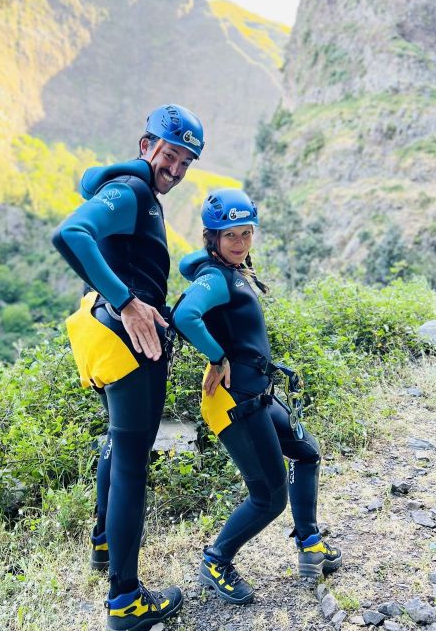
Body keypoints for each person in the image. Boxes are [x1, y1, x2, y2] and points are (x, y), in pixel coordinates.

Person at [52, 104, 204, 630]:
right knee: (134, 464)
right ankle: (126, 601)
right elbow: (72, 235)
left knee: (118, 444)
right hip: (129, 345)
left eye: (187, 161)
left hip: (101, 337)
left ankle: (102, 544)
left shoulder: (136, 190)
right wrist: (129, 302)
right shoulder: (135, 190)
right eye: (170, 154)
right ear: (146, 146)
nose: (177, 168)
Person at [171, 188, 341, 605]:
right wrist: (216, 355)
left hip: (256, 396)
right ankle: (216, 560)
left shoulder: (233, 272)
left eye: (247, 233)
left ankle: (310, 543)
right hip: (233, 403)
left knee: (307, 452)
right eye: (231, 235)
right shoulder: (215, 277)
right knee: (268, 497)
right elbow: (184, 315)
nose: (241, 243)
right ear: (212, 237)